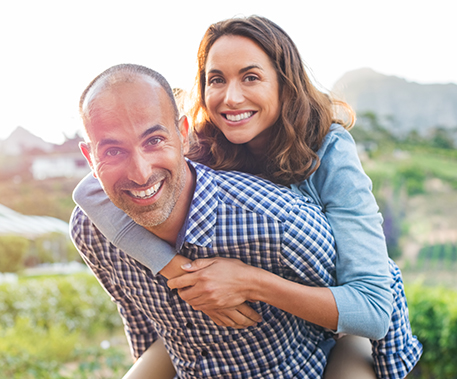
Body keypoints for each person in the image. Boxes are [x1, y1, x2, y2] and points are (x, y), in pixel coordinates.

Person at [73, 16, 422, 378]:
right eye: (217, 80)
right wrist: (178, 272)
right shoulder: (199, 144)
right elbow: (88, 191)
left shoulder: (329, 151)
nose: (231, 97)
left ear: (284, 84)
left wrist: (249, 281)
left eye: (250, 77)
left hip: (333, 321)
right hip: (229, 327)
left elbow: (371, 308)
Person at [72, 63, 347, 378]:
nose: (141, 173)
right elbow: (141, 323)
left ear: (183, 134)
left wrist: (256, 283)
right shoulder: (90, 231)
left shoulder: (279, 222)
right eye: (113, 151)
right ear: (90, 158)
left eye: (154, 141)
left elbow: (366, 305)